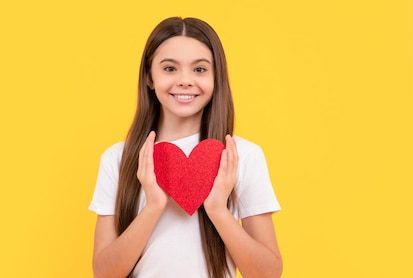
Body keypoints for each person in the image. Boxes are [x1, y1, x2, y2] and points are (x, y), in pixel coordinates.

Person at [88, 17, 282, 278]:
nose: (185, 80)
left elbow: (268, 274)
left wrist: (217, 209)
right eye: (170, 69)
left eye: (199, 70)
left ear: (216, 77)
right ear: (149, 76)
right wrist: (153, 205)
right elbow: (104, 273)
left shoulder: (242, 157)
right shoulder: (118, 159)